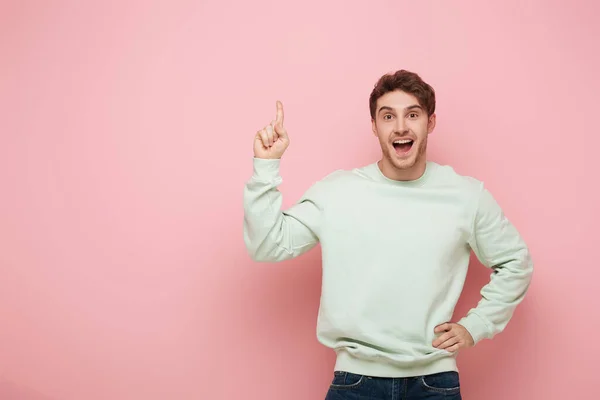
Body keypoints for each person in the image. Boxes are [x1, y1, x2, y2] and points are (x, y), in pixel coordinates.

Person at [243, 69, 534, 399]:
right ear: (374, 126)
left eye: (412, 114)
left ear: (430, 122)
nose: (400, 127)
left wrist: (476, 326)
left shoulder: (465, 196)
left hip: (434, 382)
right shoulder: (337, 192)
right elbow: (268, 245)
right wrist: (265, 167)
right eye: (387, 116)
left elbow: (516, 263)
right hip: (355, 381)